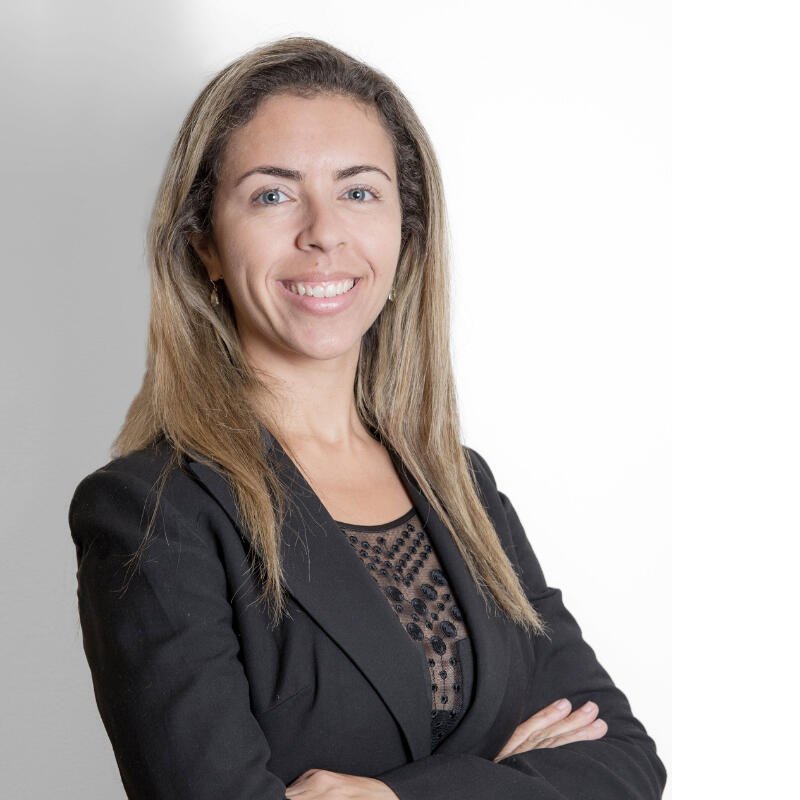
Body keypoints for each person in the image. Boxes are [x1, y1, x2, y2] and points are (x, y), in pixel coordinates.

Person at [68, 35, 667, 799]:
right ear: (204, 246)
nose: (324, 232)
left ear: (405, 234)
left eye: (358, 192)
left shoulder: (461, 487)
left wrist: (396, 796)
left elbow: (625, 765)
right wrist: (508, 779)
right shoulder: (152, 513)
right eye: (272, 195)